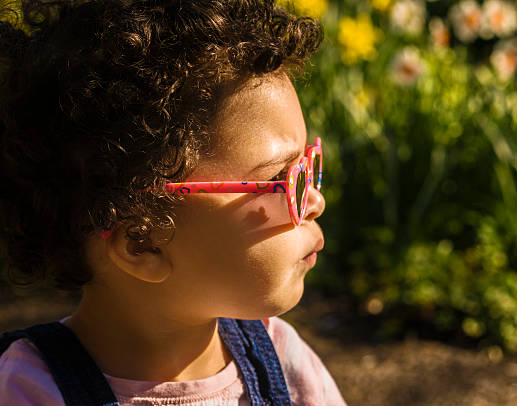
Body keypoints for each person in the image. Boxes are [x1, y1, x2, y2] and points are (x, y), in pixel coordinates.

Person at [0, 0, 346, 405]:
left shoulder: (286, 364)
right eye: (279, 180)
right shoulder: (30, 391)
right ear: (143, 240)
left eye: (308, 166)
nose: (316, 200)